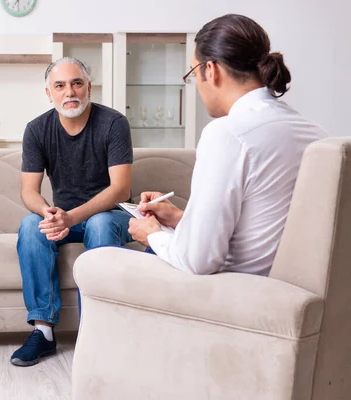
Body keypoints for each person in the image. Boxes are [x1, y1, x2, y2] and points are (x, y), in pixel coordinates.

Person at [128, 14, 328, 276]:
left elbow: (197, 261)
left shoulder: (228, 134)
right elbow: (263, 226)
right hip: (290, 290)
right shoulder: (315, 133)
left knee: (99, 263)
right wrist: (180, 219)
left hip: (234, 295)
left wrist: (152, 233)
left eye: (193, 73)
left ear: (211, 70)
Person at [10, 57, 134, 366]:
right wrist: (48, 212)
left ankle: (96, 331)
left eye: (77, 83)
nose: (70, 92)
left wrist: (72, 217)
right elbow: (29, 191)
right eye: (60, 86)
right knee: (30, 226)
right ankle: (43, 331)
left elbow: (120, 190)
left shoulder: (113, 123)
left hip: (111, 214)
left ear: (89, 87)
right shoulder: (37, 129)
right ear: (48, 93)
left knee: (100, 224)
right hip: (65, 217)